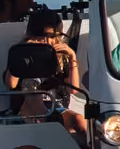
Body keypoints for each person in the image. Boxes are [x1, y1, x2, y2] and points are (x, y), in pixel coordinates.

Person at [5, 7, 90, 141]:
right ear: (32, 35)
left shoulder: (62, 56)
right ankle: (51, 122)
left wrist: (72, 56)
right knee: (35, 95)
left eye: (52, 37)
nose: (46, 40)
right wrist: (22, 55)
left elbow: (73, 89)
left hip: (57, 107)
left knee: (79, 120)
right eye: (42, 36)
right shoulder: (20, 54)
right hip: (28, 109)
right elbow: (11, 83)